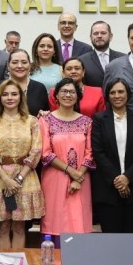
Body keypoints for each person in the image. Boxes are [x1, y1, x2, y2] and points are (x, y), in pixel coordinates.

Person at [0, 80, 44, 248]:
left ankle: (18, 263)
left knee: (19, 228)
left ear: (21, 97)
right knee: (2, 228)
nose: (10, 98)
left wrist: (19, 178)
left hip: (25, 177)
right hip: (0, 177)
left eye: (14, 94)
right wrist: (6, 179)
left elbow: (36, 150)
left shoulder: (31, 121)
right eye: (5, 94)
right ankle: (5, 263)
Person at [91, 78, 133, 234]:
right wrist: (118, 180)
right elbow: (98, 151)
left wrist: (128, 177)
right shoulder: (99, 119)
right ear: (107, 96)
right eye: (113, 92)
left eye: (121, 92)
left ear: (128, 94)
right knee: (111, 239)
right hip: (108, 190)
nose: (117, 96)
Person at [39, 78, 95, 240]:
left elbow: (90, 153)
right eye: (64, 91)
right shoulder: (46, 120)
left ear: (78, 96)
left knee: (79, 220)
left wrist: (78, 177)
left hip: (81, 179)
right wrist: (70, 171)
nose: (68, 95)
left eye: (72, 92)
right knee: (55, 220)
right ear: (56, 95)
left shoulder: (87, 122)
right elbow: (45, 152)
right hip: (55, 179)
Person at [0, 48, 49, 116]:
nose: (19, 66)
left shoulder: (40, 88)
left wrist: (43, 115)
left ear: (30, 65)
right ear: (8, 65)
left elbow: (46, 113)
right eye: (15, 62)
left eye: (24, 62)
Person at [78, 21, 125, 89]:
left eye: (103, 33)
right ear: (91, 37)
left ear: (110, 36)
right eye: (96, 33)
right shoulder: (82, 60)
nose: (99, 36)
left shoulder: (123, 58)